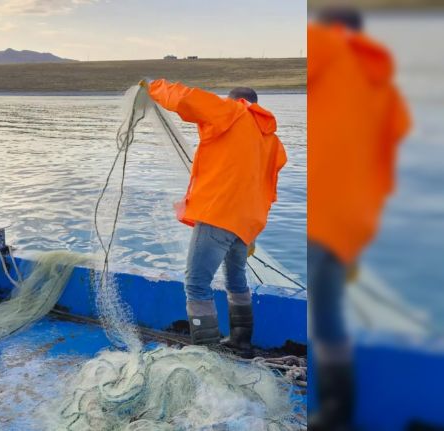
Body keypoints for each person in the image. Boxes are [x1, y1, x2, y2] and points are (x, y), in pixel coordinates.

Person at [308, 7, 410, 430]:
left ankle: (335, 409)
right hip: (357, 219)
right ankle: (340, 407)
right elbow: (390, 149)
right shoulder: (384, 85)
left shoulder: (326, 49)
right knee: (329, 309)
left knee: (324, 308)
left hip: (324, 212)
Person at [143, 79, 286, 356]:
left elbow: (185, 98)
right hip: (246, 224)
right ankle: (241, 342)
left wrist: (153, 86)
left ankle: (205, 353)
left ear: (236, 101)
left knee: (196, 284)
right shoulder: (272, 140)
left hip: (218, 215)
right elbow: (268, 187)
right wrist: (251, 232)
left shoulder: (231, 111)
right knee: (236, 281)